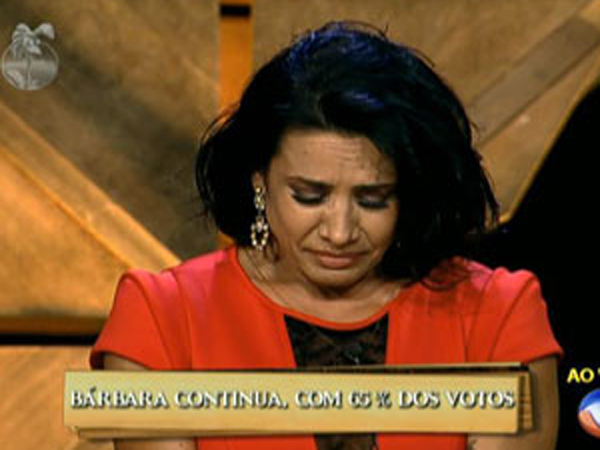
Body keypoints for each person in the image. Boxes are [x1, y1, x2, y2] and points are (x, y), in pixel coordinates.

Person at [90, 21, 562, 450]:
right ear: (260, 182)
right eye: (309, 196)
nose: (339, 232)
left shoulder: (498, 313)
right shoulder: (160, 317)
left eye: (373, 200)